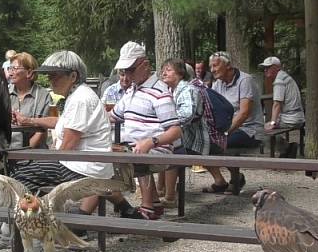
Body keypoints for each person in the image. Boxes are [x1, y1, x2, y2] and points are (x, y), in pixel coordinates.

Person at [0, 50, 113, 232]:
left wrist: (45, 158)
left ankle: (16, 230)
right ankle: (23, 226)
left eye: (55, 76)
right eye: (50, 76)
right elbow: (62, 123)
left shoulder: (80, 99)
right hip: (85, 163)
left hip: (82, 166)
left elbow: (68, 145)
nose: (51, 81)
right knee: (28, 170)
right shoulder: (78, 95)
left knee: (22, 175)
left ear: (73, 76)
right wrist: (30, 121)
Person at [0, 51, 51, 252]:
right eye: (10, 68)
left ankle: (12, 234)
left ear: (29, 73)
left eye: (16, 68)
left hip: (32, 153)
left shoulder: (42, 95)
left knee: (23, 184)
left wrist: (27, 153)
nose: (11, 72)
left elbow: (42, 132)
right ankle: (9, 231)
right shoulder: (3, 93)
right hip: (6, 150)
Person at [111, 44, 183, 219]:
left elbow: (176, 131)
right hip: (136, 146)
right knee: (108, 154)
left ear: (145, 65)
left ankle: (146, 208)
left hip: (157, 149)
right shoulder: (131, 91)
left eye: (130, 70)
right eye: (124, 70)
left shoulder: (159, 92)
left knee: (106, 164)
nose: (126, 75)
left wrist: (151, 141)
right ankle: (152, 205)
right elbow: (112, 116)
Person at [202, 51, 265, 194]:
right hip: (227, 129)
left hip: (249, 129)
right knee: (202, 141)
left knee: (218, 143)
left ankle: (236, 179)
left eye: (215, 66)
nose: (212, 70)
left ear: (228, 66)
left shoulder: (245, 81)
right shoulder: (217, 84)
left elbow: (244, 113)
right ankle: (220, 181)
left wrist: (224, 133)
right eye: (211, 66)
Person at [159, 59, 209, 206]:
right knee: (160, 143)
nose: (164, 73)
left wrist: (165, 122)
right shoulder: (169, 91)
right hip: (180, 135)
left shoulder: (188, 90)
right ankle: (159, 189)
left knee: (169, 145)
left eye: (168, 70)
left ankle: (170, 197)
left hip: (193, 139)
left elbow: (187, 115)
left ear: (180, 73)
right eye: (163, 70)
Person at [259, 56, 305, 157]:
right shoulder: (285, 77)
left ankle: (286, 149)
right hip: (297, 116)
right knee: (264, 125)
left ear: (276, 68)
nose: (265, 70)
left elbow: (277, 104)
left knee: (259, 130)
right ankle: (287, 148)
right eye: (264, 68)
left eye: (268, 67)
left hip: (291, 118)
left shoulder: (279, 81)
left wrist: (272, 123)